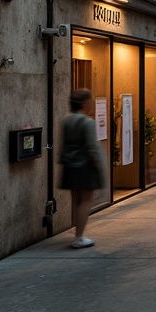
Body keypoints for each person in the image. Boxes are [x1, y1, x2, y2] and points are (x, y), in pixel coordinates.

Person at [59, 88, 107, 248]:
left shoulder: (66, 120)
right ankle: (79, 237)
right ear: (85, 102)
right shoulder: (88, 122)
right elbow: (92, 147)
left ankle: (77, 230)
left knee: (76, 199)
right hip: (85, 166)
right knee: (86, 200)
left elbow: (63, 144)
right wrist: (100, 166)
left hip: (70, 165)